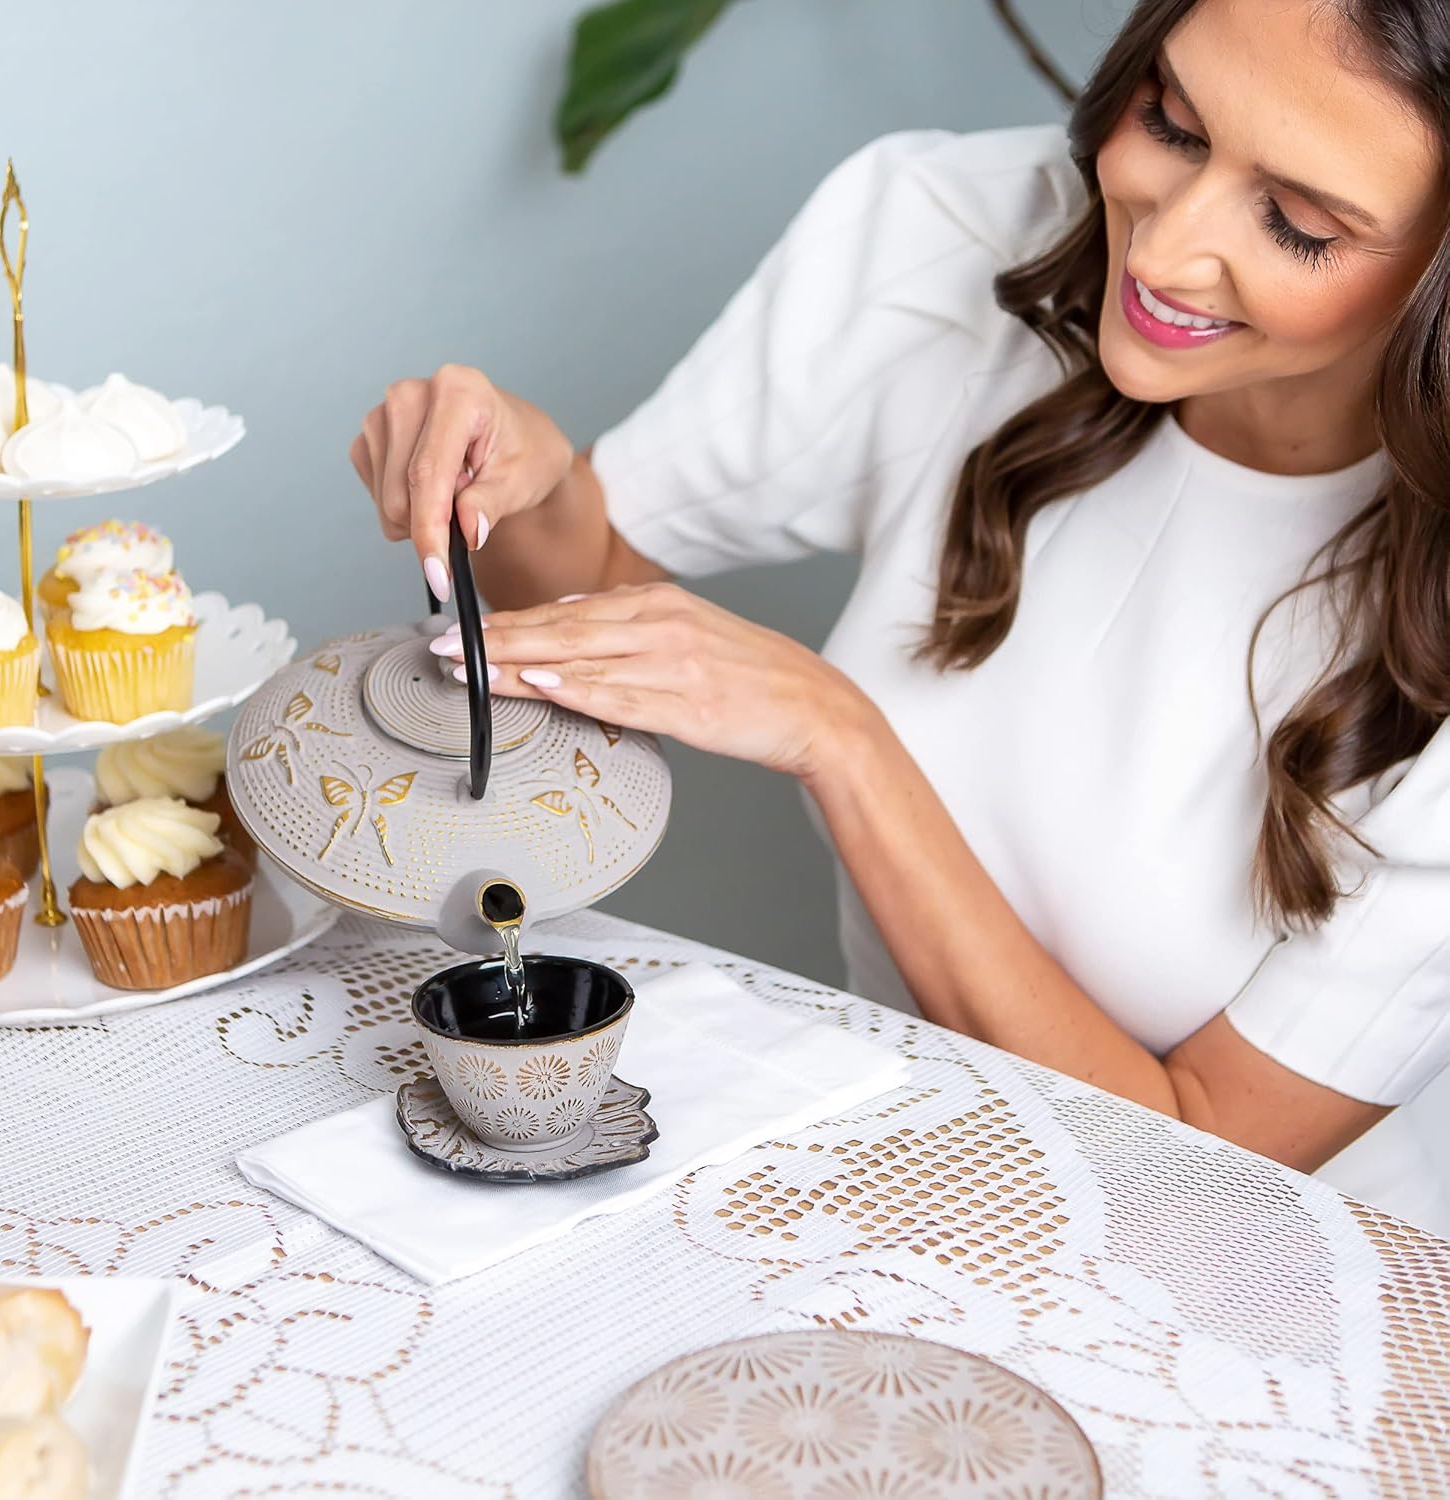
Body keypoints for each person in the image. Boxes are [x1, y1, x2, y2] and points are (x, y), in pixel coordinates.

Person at [352, 0, 1450, 1235]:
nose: (1161, 249)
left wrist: (846, 741)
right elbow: (586, 581)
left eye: (1298, 227)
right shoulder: (960, 233)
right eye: (1173, 122)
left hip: (1256, 1299)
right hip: (882, 1182)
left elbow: (1184, 1166)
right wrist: (536, 485)